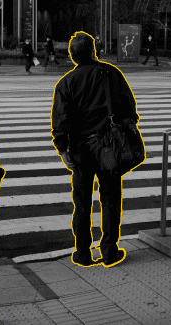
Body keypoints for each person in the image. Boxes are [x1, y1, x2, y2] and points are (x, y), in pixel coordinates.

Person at [51, 32, 140, 268]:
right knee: (110, 199)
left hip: (80, 149)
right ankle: (109, 251)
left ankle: (83, 253)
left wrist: (63, 149)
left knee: (81, 203)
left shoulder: (66, 83)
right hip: (109, 147)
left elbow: (60, 121)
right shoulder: (111, 74)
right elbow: (130, 110)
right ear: (93, 51)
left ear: (72, 56)